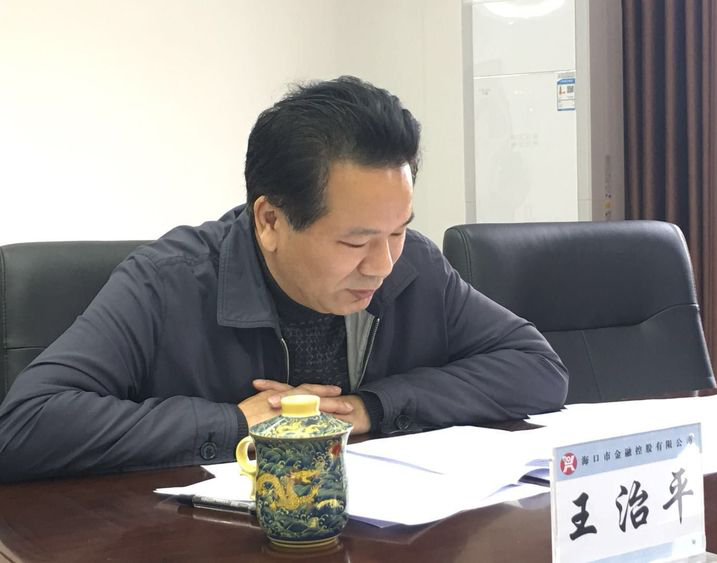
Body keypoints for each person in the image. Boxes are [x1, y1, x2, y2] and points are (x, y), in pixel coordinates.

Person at [0, 76, 568, 482]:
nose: (382, 264)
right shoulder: (167, 283)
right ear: (270, 221)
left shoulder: (412, 266)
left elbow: (538, 370)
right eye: (355, 242)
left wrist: (370, 408)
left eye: (398, 230)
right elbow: (24, 426)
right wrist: (235, 423)